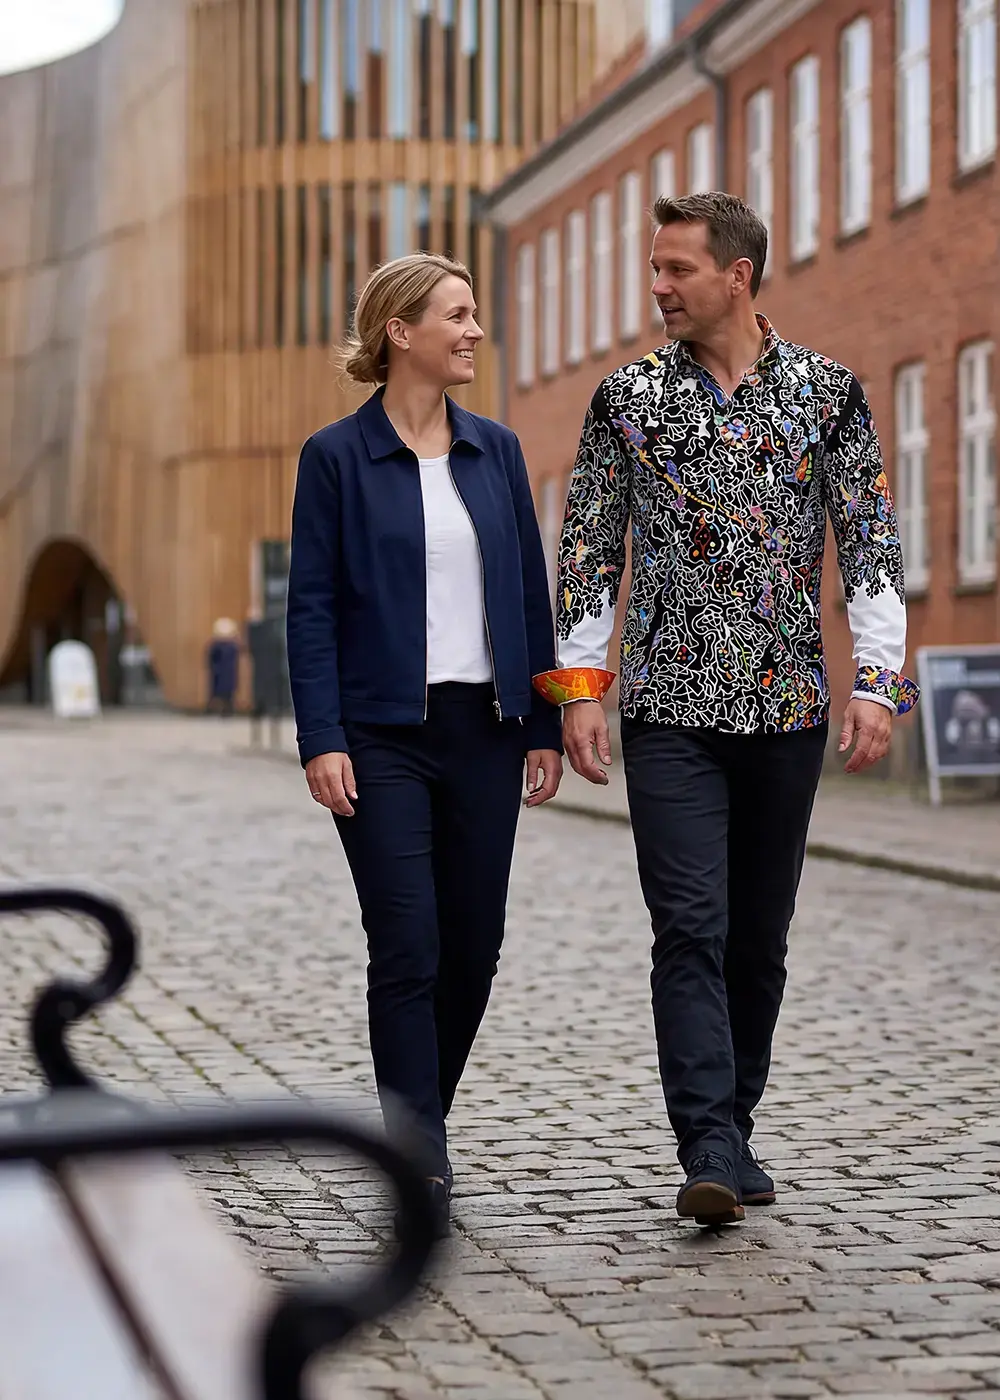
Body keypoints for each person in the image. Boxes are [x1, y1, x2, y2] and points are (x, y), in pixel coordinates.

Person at [533, 193, 919, 1227]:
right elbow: (586, 551)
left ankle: (732, 1125)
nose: (656, 287)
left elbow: (869, 541)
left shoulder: (828, 393)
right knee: (688, 926)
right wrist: (580, 692)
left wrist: (879, 683)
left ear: (735, 275)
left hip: (788, 706)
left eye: (674, 269)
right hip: (668, 710)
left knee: (759, 938)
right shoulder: (627, 399)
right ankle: (705, 1139)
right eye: (653, 269)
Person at [285, 252, 563, 1238]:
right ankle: (417, 1146)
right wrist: (320, 735)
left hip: (485, 732)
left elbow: (532, 595)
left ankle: (417, 1117)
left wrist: (545, 720)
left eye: (475, 312)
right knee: (407, 940)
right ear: (400, 331)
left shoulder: (497, 450)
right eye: (457, 314)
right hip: (381, 733)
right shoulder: (334, 458)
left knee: (474, 945)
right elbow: (309, 608)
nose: (474, 330)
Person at [206, 618, 240, 715]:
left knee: (219, 692)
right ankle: (226, 709)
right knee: (227, 693)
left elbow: (210, 659)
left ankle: (216, 708)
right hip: (227, 674)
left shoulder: (215, 646)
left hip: (219, 673)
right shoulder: (232, 647)